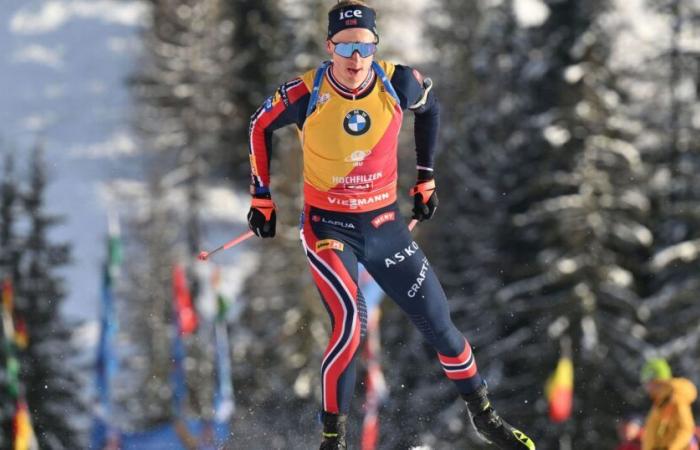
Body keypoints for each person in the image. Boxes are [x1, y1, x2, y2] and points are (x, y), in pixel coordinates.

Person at [245, 1, 536, 449]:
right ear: (329, 47)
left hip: (386, 228)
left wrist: (426, 178)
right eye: (344, 46)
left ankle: (485, 416)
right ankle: (332, 440)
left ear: (374, 45)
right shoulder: (306, 93)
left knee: (442, 325)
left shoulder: (399, 81)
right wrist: (261, 197)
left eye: (363, 45)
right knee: (350, 322)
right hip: (328, 230)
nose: (355, 58)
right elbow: (259, 124)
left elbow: (431, 109)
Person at [640, 358, 698, 450]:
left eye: (647, 384)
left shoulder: (675, 399)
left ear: (656, 381)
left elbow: (686, 429)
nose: (647, 389)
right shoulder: (661, 402)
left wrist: (670, 448)